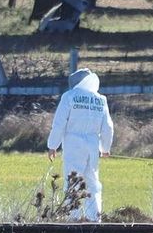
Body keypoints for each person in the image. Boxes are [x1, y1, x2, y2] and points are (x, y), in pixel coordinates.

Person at [47, 68, 114, 222]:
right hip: (92, 146)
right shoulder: (100, 99)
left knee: (72, 182)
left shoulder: (69, 96)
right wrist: (105, 148)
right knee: (92, 183)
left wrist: (52, 145)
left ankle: (73, 219)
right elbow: (108, 127)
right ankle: (94, 219)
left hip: (73, 144)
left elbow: (59, 123)